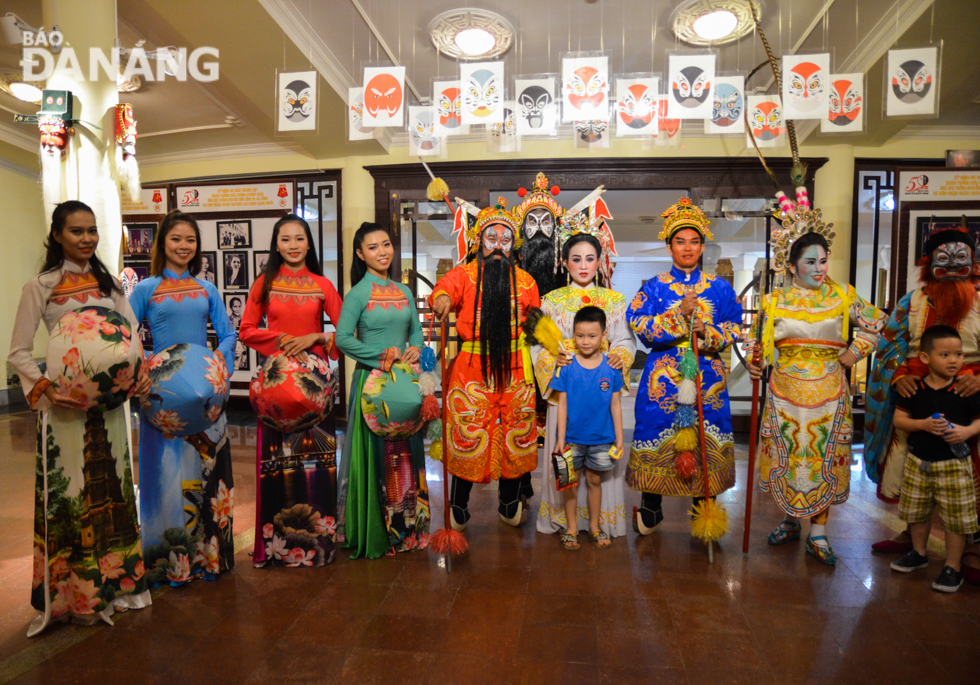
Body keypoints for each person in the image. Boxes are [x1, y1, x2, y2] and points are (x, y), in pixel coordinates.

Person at [8, 201, 151, 636]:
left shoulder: (109, 283)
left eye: (91, 230)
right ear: (57, 235)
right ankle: (75, 598)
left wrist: (140, 376)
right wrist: (49, 389)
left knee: (116, 489)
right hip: (66, 411)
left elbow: (131, 338)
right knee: (69, 496)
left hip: (110, 408)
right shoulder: (41, 286)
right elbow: (17, 352)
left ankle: (118, 586)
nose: (87, 238)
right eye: (76, 231)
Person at [748, 229, 886, 565]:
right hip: (785, 391)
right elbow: (758, 342)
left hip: (830, 390)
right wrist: (756, 364)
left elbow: (878, 322)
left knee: (823, 457)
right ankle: (789, 520)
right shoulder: (773, 301)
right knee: (790, 455)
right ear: (792, 266)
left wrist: (855, 352)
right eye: (811, 262)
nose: (819, 268)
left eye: (823, 261)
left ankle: (819, 533)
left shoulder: (842, 296)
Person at [128, 210, 238, 585]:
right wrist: (144, 370)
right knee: (167, 476)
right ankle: (171, 563)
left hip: (205, 394)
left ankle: (210, 558)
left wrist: (217, 364)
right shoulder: (145, 289)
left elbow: (227, 334)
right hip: (164, 399)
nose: (184, 246)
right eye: (176, 239)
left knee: (206, 473)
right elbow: (125, 339)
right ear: (162, 244)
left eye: (190, 240)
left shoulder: (207, 289)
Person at [865, 227, 980, 581]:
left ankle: (971, 546)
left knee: (969, 473)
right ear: (929, 265)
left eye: (962, 259)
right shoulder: (911, 301)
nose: (954, 267)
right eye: (944, 260)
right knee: (909, 467)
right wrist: (899, 375)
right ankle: (913, 537)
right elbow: (889, 345)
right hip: (917, 393)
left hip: (971, 394)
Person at [626, 197, 741, 533]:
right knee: (656, 430)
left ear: (702, 245)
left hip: (707, 375)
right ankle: (651, 507)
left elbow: (735, 327)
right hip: (663, 374)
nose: (687, 248)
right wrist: (677, 316)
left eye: (694, 242)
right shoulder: (653, 286)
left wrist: (709, 330)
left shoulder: (720, 287)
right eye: (680, 242)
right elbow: (638, 323)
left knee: (708, 435)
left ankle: (703, 510)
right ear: (669, 246)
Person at [430, 198, 541, 529]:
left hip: (516, 366)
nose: (497, 246)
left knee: (515, 434)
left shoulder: (526, 282)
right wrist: (443, 299)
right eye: (491, 238)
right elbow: (444, 289)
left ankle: (509, 500)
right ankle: (459, 503)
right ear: (478, 240)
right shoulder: (464, 274)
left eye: (505, 240)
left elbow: (535, 323)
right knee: (469, 431)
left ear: (513, 245)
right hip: (472, 366)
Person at [239, 214, 343, 568]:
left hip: (316, 390)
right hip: (277, 387)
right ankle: (275, 549)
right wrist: (280, 340)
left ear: (309, 244)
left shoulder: (322, 285)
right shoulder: (263, 284)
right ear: (276, 244)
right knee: (277, 464)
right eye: (286, 239)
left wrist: (316, 337)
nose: (294, 245)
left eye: (300, 239)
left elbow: (345, 337)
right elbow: (247, 330)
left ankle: (318, 546)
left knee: (316, 463)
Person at [531, 227, 635, 540]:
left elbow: (624, 341)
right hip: (567, 390)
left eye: (590, 258)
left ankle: (599, 521)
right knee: (567, 462)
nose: (584, 265)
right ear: (564, 262)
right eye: (576, 259)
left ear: (600, 261)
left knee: (598, 468)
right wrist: (553, 362)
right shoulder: (550, 301)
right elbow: (538, 346)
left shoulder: (615, 300)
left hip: (601, 394)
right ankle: (567, 522)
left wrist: (618, 357)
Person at [335, 223, 429, 558]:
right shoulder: (358, 293)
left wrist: (415, 349)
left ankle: (408, 530)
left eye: (386, 244)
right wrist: (380, 357)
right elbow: (342, 338)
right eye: (372, 247)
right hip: (372, 386)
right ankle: (379, 532)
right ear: (361, 254)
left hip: (403, 384)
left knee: (406, 454)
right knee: (377, 458)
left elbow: (416, 331)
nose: (382, 252)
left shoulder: (403, 291)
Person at [889, 325, 980, 592]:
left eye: (959, 354)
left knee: (956, 518)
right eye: (945, 355)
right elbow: (899, 420)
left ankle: (953, 566)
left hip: (954, 464)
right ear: (925, 358)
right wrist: (924, 425)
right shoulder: (913, 389)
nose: (954, 360)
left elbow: (979, 421)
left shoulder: (967, 389)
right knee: (917, 513)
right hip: (918, 462)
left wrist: (967, 431)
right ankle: (919, 553)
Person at [551, 306, 624, 550]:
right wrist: (560, 439)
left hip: (602, 440)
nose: (585, 341)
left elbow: (615, 405)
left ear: (604, 336)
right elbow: (561, 404)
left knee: (594, 482)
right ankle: (571, 528)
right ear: (573, 335)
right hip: (570, 438)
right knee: (570, 484)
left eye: (592, 336)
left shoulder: (612, 368)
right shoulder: (567, 365)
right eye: (580, 335)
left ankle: (594, 526)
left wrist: (620, 439)